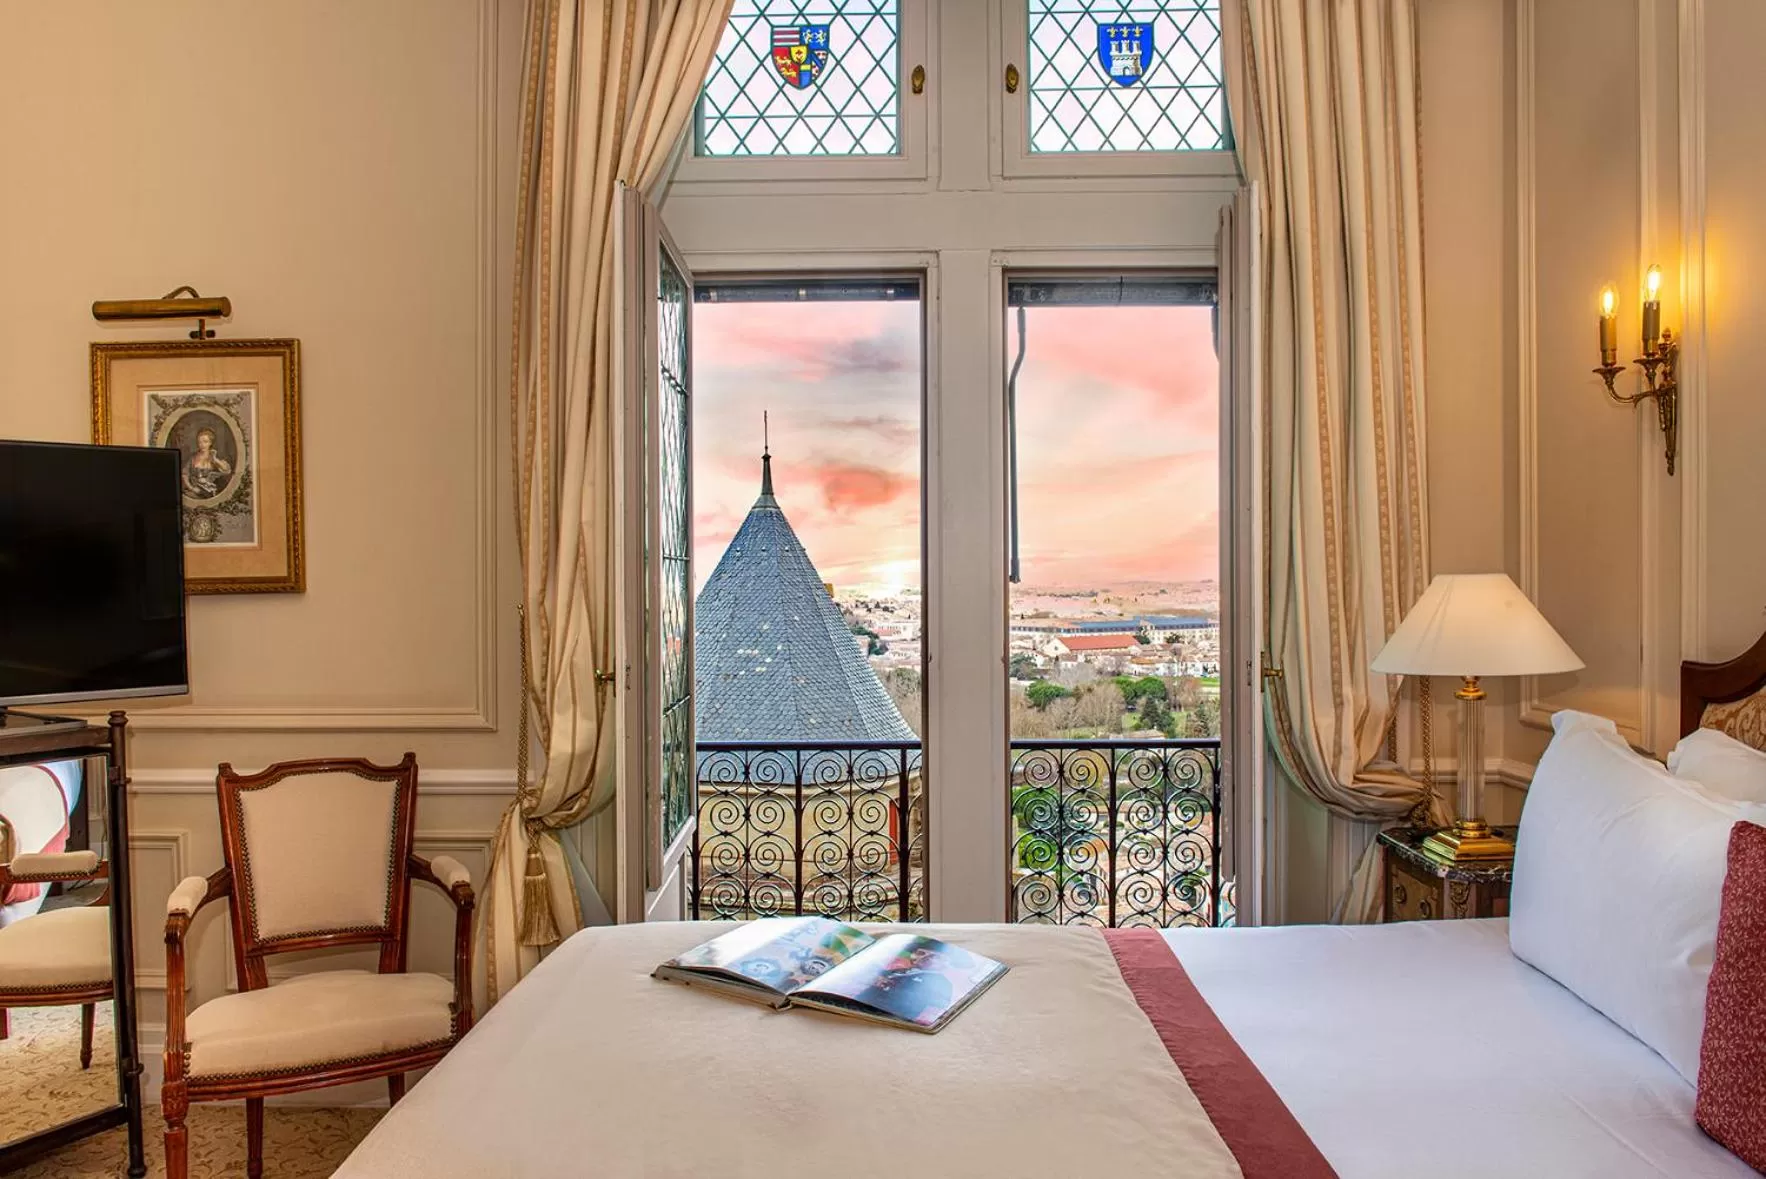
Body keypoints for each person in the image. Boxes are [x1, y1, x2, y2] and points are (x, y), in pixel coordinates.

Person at [181, 425, 232, 500]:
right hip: (194, 491)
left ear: (210, 443)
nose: (202, 445)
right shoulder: (193, 457)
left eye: (205, 442)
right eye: (200, 442)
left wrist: (215, 459)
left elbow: (227, 471)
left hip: (210, 493)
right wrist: (192, 488)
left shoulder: (214, 456)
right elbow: (184, 474)